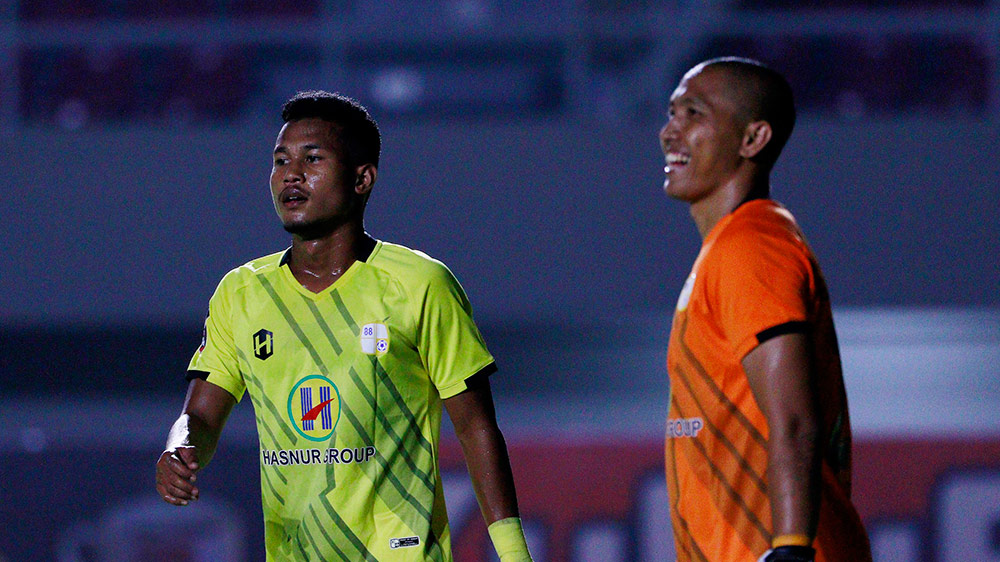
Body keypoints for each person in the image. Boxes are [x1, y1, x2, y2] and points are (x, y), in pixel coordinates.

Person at [155, 91, 532, 562]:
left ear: (362, 178)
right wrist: (179, 447)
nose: (290, 174)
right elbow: (202, 417)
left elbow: (477, 428)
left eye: (312, 159)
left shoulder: (420, 284)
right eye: (280, 160)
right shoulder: (241, 293)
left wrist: (515, 555)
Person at [658, 58, 872, 562]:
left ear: (752, 139)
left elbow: (794, 419)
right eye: (671, 113)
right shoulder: (729, 247)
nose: (670, 131)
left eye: (693, 113)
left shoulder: (752, 246)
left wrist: (792, 549)